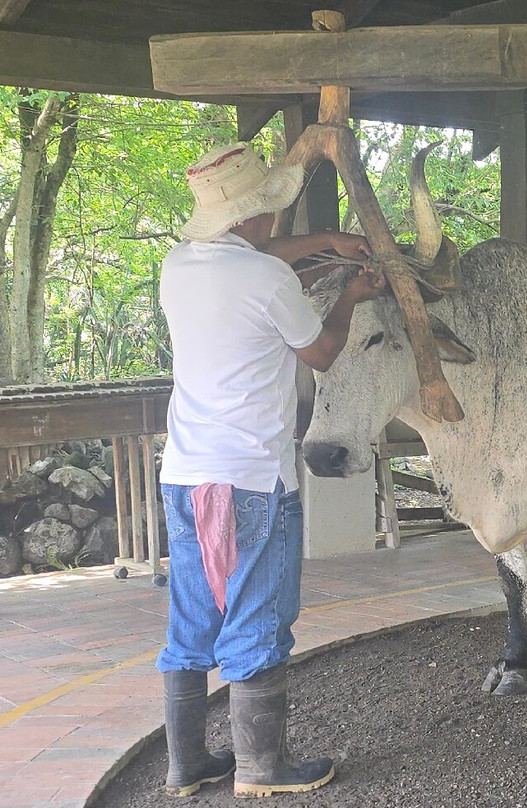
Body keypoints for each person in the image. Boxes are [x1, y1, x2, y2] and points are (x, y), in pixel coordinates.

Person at [155, 142, 384, 798]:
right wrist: (352, 294)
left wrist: (328, 241)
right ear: (251, 217)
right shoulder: (268, 280)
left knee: (193, 617)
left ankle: (187, 764)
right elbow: (321, 351)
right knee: (260, 613)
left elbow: (253, 262)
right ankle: (261, 768)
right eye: (270, 212)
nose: (276, 222)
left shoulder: (176, 265)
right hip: (253, 479)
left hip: (187, 473)